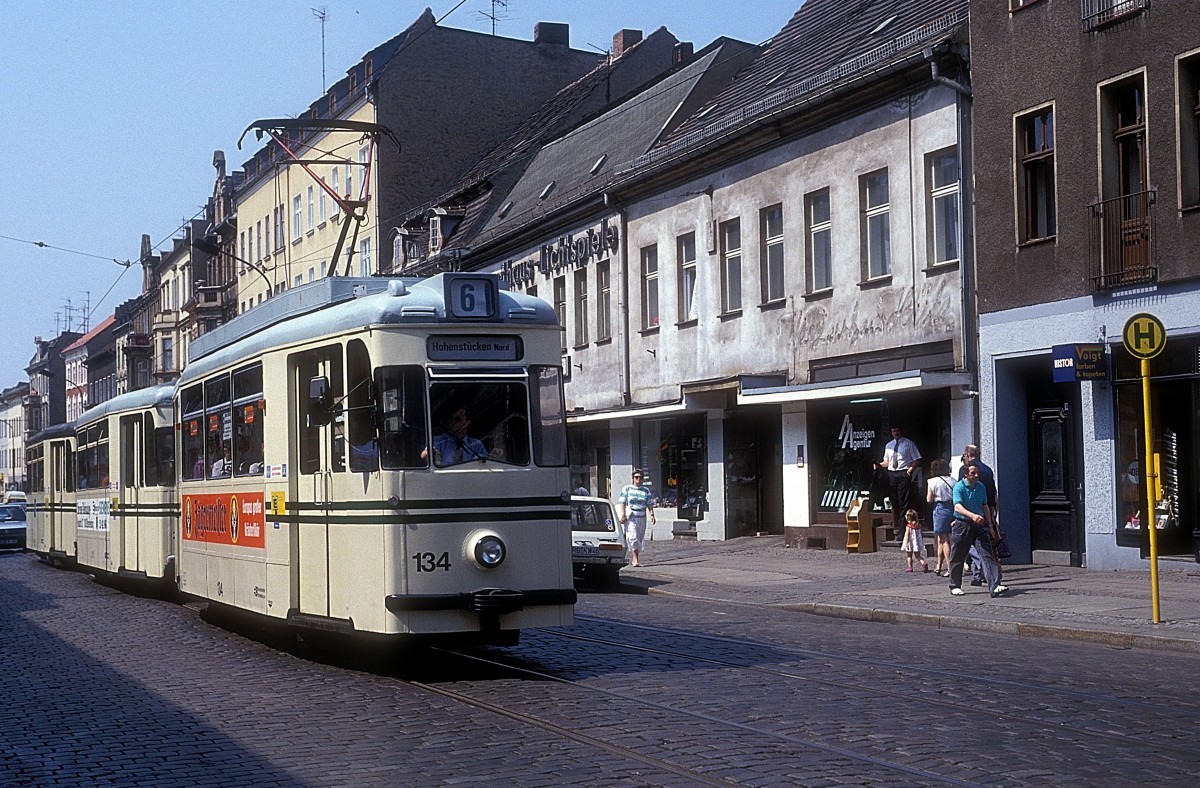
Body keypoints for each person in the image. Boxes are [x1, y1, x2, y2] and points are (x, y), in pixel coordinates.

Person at [948, 460, 1007, 598]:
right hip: (963, 524)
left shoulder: (981, 486)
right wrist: (972, 515)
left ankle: (995, 586)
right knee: (958, 555)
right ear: (965, 474)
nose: (976, 475)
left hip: (980, 525)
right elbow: (957, 506)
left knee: (987, 554)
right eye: (973, 473)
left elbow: (985, 505)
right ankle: (954, 585)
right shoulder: (959, 487)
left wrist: (991, 525)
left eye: (977, 473)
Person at [957, 444, 999, 586]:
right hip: (984, 513)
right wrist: (993, 514)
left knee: (969, 547)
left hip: (969, 516)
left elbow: (959, 497)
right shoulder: (987, 470)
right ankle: (977, 576)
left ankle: (979, 574)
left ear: (967, 454)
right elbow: (993, 493)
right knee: (984, 546)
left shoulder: (965, 470)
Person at [879, 426, 921, 529]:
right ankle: (897, 524)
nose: (896, 433)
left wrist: (909, 471)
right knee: (894, 500)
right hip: (892, 474)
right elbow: (887, 462)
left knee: (903, 501)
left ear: (900, 431)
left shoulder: (908, 444)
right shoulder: (889, 445)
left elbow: (917, 459)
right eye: (894, 431)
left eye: (897, 431)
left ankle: (903, 526)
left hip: (903, 473)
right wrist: (878, 465)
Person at [422, 408, 487, 466]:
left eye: (457, 419)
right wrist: (434, 456)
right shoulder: (439, 440)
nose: (453, 423)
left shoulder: (476, 445)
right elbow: (425, 454)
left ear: (467, 422)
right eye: (450, 419)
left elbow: (483, 464)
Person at [617, 468, 655, 568]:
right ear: (633, 478)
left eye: (640, 477)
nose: (638, 479)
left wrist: (652, 515)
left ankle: (636, 555)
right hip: (631, 517)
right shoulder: (627, 489)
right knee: (632, 536)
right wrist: (623, 514)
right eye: (636, 477)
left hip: (642, 516)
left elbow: (649, 503)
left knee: (639, 537)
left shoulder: (645, 490)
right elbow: (622, 502)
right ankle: (635, 558)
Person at [925, 458, 955, 576]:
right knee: (941, 539)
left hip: (940, 508)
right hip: (953, 507)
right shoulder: (953, 480)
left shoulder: (932, 481)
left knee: (944, 540)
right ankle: (938, 565)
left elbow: (929, 499)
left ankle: (949, 568)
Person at [900, 508, 929, 573]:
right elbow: (920, 534)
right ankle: (923, 563)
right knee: (918, 556)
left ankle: (910, 567)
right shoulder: (918, 525)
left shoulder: (909, 526)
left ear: (908, 518)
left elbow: (907, 535)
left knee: (909, 556)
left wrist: (906, 543)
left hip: (910, 543)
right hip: (916, 543)